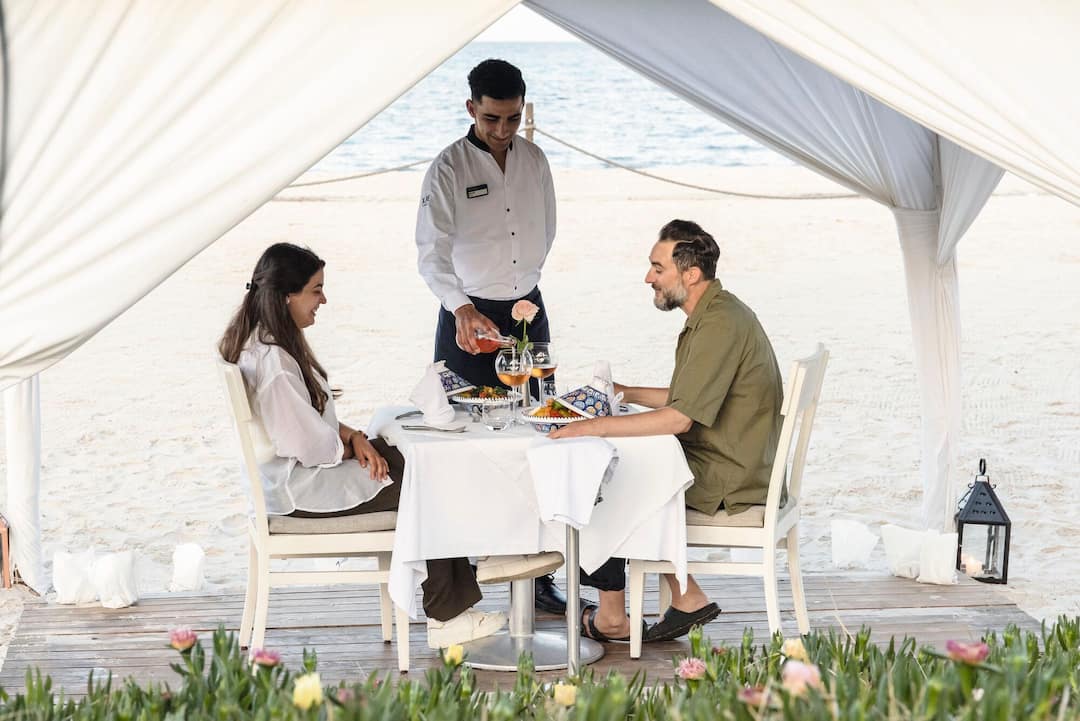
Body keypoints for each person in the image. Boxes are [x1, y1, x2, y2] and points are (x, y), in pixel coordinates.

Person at [219, 242, 505, 649]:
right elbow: (310, 447)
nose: (323, 300)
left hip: (286, 481)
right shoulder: (275, 365)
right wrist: (354, 447)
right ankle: (450, 615)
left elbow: (304, 422)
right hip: (301, 492)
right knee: (428, 480)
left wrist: (354, 437)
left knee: (415, 460)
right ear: (286, 297)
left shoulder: (259, 343)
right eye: (316, 290)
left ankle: (469, 576)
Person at [550, 220, 784, 643]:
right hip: (733, 457)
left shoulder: (718, 325)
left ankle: (613, 617)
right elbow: (687, 397)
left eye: (658, 268)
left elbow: (680, 419)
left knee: (605, 483)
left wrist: (593, 425)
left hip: (731, 476)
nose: (648, 277)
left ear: (690, 274)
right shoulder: (718, 313)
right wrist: (624, 392)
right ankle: (684, 594)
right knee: (622, 468)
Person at [415, 58, 568, 616]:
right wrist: (462, 307)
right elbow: (430, 253)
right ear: (471, 109)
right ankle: (460, 588)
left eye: (512, 118)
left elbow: (547, 228)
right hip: (466, 315)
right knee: (461, 443)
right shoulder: (448, 167)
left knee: (539, 435)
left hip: (528, 311)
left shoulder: (535, 159)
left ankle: (538, 576)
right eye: (491, 118)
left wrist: (522, 287)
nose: (503, 130)